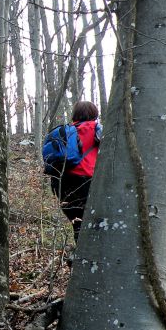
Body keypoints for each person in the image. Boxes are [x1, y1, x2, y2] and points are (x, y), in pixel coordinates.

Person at [50, 100, 102, 242]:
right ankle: (84, 256)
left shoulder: (65, 131)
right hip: (86, 181)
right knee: (90, 223)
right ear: (94, 113)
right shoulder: (97, 129)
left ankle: (77, 255)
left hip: (62, 182)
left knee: (77, 223)